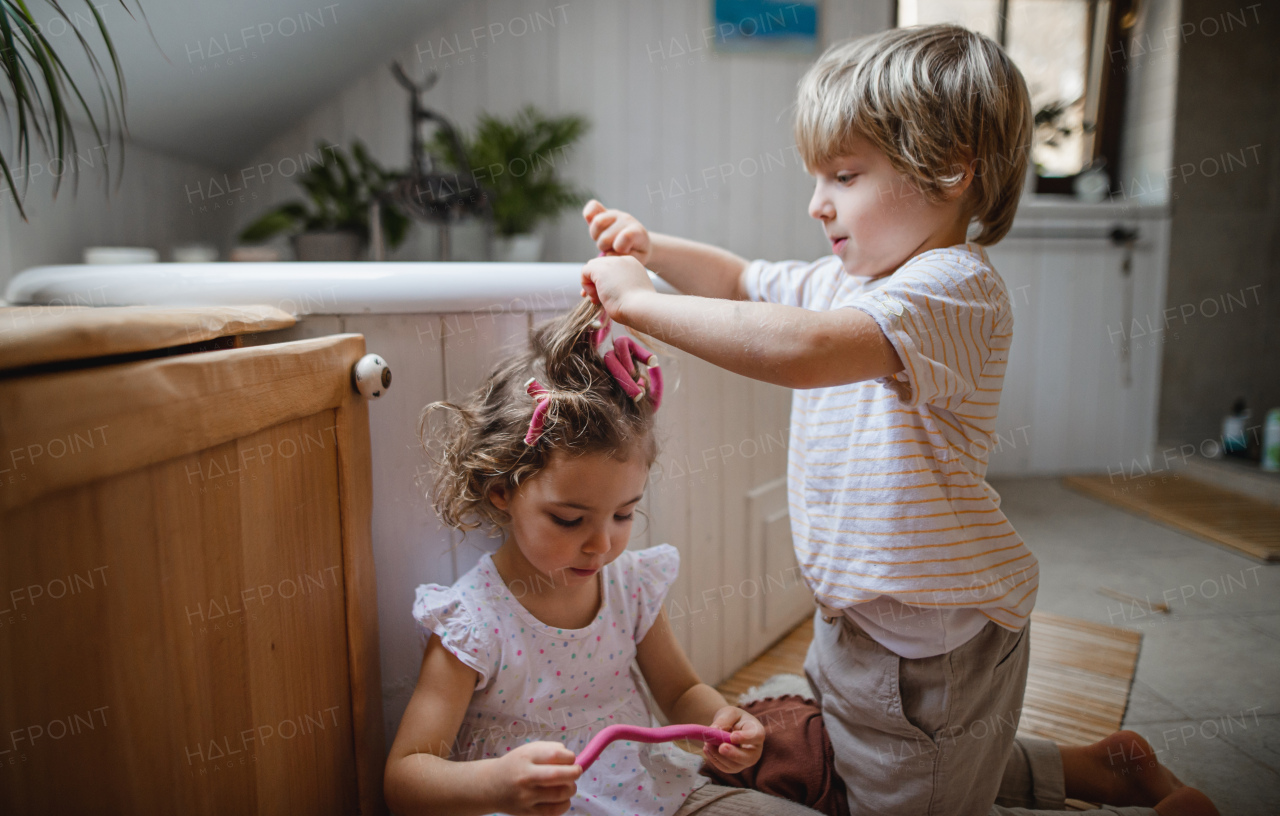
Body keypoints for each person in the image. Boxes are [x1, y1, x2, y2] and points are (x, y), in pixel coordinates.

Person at [578, 23, 1217, 816]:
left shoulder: (955, 287)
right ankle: (1094, 773)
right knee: (894, 764)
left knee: (922, 781)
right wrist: (656, 248)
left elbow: (805, 351)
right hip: (861, 620)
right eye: (817, 177)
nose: (817, 204)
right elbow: (743, 282)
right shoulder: (846, 281)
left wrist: (640, 302)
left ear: (948, 170)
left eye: (844, 175)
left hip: (933, 647)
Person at [384, 300, 826, 816]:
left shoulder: (629, 586)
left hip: (653, 793)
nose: (601, 545)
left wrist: (723, 721)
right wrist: (495, 784)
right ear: (500, 490)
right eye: (569, 520)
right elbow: (405, 777)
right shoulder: (471, 623)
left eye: (623, 515)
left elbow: (681, 690)